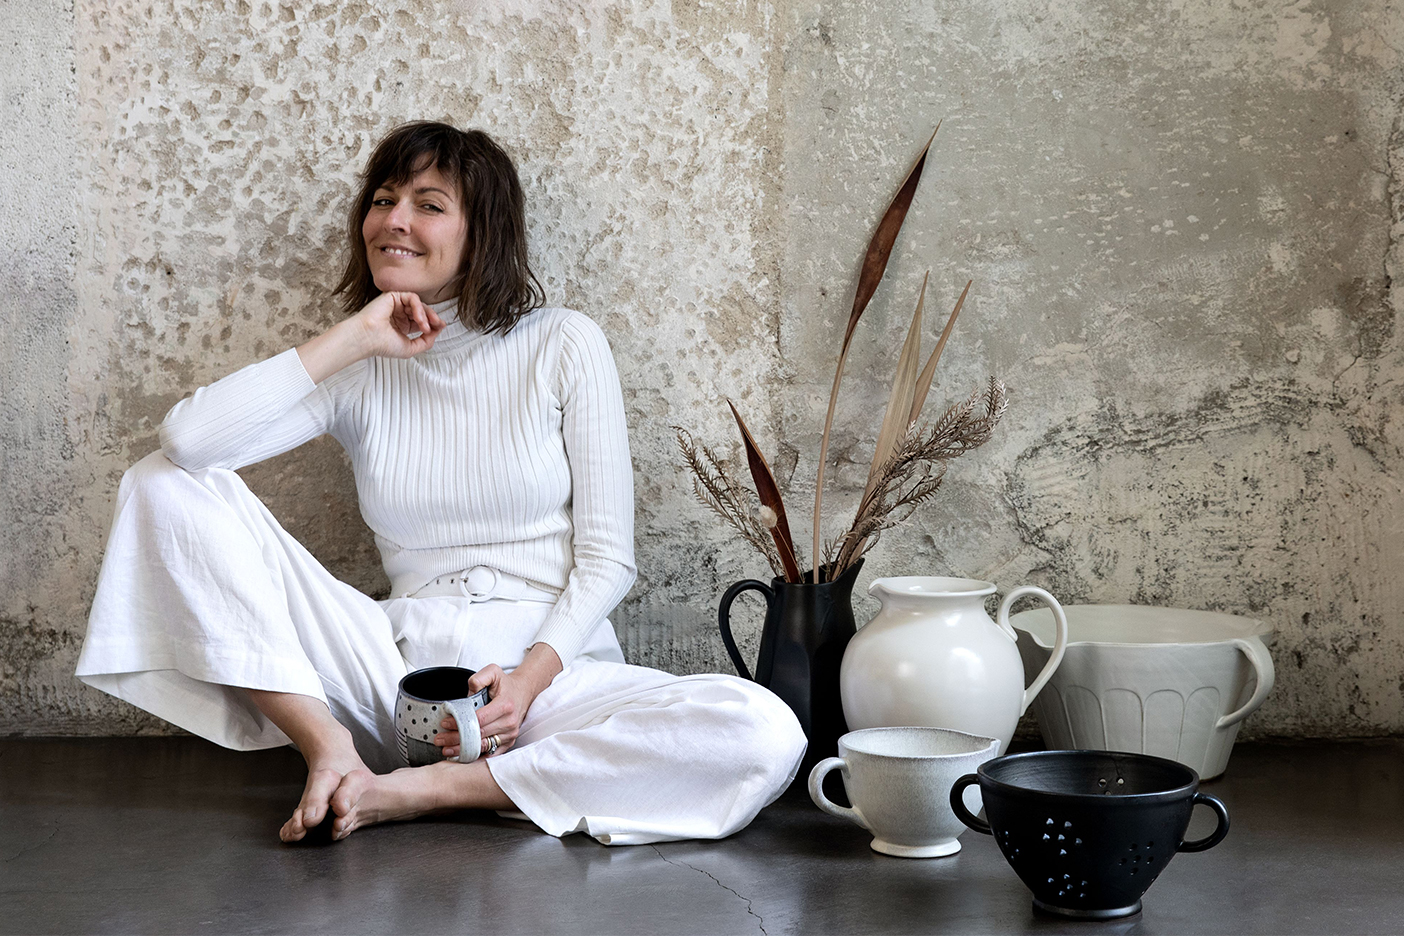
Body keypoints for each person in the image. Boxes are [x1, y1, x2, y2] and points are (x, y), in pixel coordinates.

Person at [76, 121, 806, 845]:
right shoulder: (360, 368)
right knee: (159, 483)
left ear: (482, 231)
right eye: (384, 199)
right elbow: (188, 443)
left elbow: (609, 558)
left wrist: (526, 683)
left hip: (542, 686)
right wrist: (358, 336)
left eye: (429, 204)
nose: (394, 220)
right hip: (392, 679)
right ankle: (329, 751)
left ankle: (424, 792)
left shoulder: (562, 343)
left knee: (762, 729)